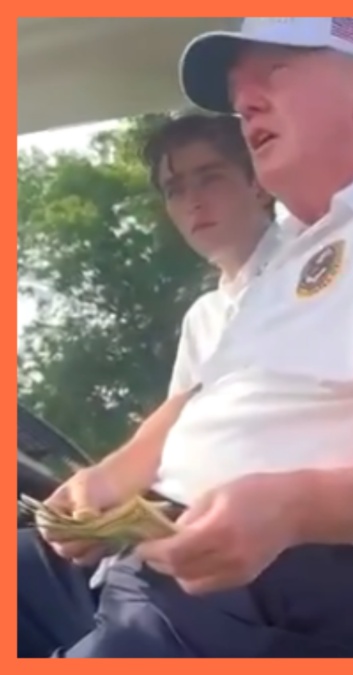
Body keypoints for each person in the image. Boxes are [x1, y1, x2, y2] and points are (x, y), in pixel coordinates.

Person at [25, 17, 353, 658]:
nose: (244, 103)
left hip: (292, 596)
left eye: (273, 75)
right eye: (238, 89)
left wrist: (290, 508)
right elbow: (202, 395)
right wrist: (107, 480)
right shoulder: (294, 254)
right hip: (182, 573)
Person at [18, 113, 282, 657]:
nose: (192, 201)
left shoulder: (298, 280)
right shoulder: (205, 315)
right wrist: (103, 516)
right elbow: (173, 450)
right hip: (170, 545)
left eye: (209, 177)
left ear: (258, 180)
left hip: (250, 571)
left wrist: (117, 487)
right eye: (174, 188)